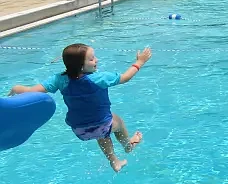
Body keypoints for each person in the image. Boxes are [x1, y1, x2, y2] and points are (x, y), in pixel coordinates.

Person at [9, 44, 151, 172]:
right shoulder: (99, 78)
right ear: (80, 66)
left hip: (79, 130)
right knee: (116, 121)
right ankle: (128, 146)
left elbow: (32, 91)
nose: (96, 60)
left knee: (101, 130)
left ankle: (114, 161)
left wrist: (17, 88)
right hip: (102, 125)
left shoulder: (60, 79)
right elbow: (126, 77)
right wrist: (140, 61)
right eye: (92, 59)